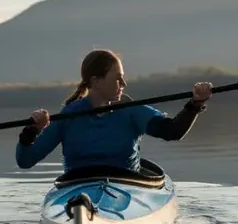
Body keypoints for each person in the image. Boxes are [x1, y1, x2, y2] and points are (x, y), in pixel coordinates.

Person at [15, 49, 213, 173]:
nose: (124, 84)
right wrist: (31, 131)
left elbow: (172, 131)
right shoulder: (68, 115)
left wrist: (194, 104)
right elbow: (26, 161)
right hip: (77, 189)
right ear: (96, 81)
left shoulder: (131, 111)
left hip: (127, 187)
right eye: (117, 78)